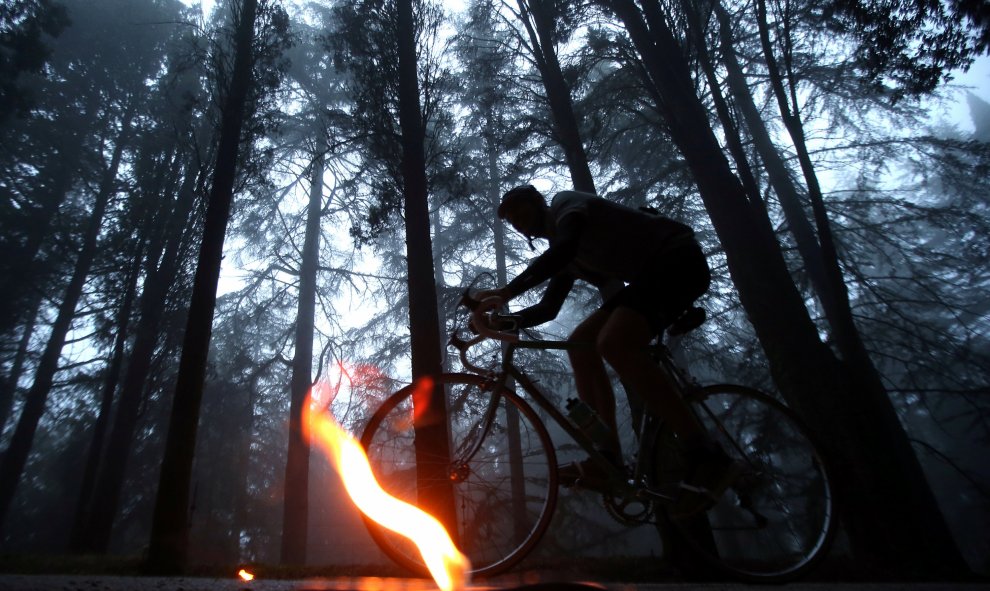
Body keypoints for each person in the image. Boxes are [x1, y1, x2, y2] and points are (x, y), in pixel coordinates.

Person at [476, 185, 740, 515]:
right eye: (510, 219)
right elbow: (548, 309)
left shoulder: (565, 206)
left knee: (613, 343)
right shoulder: (567, 256)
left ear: (538, 203)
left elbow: (565, 247)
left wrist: (506, 291)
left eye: (518, 211)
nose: (515, 221)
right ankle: (607, 456)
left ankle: (705, 452)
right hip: (652, 277)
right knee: (580, 343)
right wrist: (498, 322)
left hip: (677, 260)